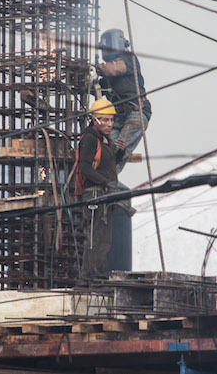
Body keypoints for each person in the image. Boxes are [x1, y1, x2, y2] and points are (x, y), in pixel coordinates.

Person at [74, 98, 126, 281]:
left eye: (111, 120)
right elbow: (85, 168)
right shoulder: (89, 139)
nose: (109, 124)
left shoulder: (106, 141)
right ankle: (90, 278)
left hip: (105, 195)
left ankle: (96, 277)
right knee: (96, 239)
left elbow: (109, 164)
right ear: (95, 120)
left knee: (104, 240)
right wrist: (106, 183)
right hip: (95, 195)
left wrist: (119, 152)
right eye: (105, 120)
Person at [96, 29, 151, 173]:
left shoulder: (128, 58)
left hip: (135, 113)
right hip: (118, 117)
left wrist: (97, 68)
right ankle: (106, 181)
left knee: (114, 157)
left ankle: (110, 186)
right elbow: (97, 87)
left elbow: (115, 68)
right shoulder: (108, 74)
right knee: (105, 152)